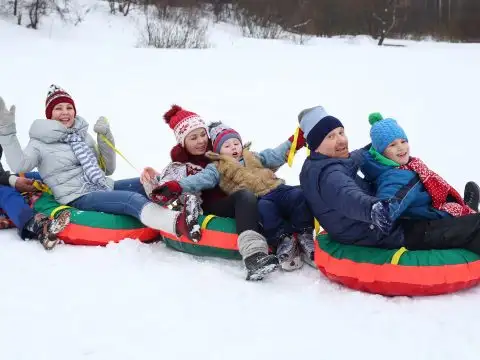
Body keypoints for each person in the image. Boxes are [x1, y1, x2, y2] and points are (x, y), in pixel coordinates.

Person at [0, 86, 198, 241]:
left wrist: (104, 137)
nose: (65, 112)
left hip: (101, 185)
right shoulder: (39, 143)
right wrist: (8, 133)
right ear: (49, 115)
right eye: (58, 108)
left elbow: (106, 169)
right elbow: (20, 166)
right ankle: (177, 224)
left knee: (148, 181)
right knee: (130, 199)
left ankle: (189, 205)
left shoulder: (82, 136)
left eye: (69, 107)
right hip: (76, 196)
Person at [141, 105, 304, 279]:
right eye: (193, 138)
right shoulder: (182, 165)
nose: (201, 141)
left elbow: (265, 159)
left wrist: (295, 141)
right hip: (214, 205)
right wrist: (157, 182)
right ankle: (254, 257)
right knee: (245, 196)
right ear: (183, 141)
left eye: (203, 135)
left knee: (279, 196)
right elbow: (172, 185)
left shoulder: (224, 150)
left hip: (241, 197)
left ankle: (301, 234)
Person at [298, 105, 480, 255]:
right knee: (471, 227)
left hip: (370, 225)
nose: (341, 140)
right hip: (385, 231)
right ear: (316, 145)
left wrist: (379, 146)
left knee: (416, 195)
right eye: (330, 136)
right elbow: (348, 196)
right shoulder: (331, 177)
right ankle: (466, 214)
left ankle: (462, 208)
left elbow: (355, 157)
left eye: (341, 132)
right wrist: (375, 210)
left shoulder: (319, 163)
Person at [357, 112, 479, 223]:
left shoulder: (403, 166)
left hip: (424, 203)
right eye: (392, 145)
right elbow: (389, 199)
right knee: (457, 216)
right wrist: (383, 213)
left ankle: (465, 207)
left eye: (403, 141)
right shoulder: (396, 175)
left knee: (451, 204)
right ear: (381, 153)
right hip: (427, 215)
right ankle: (468, 215)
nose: (401, 147)